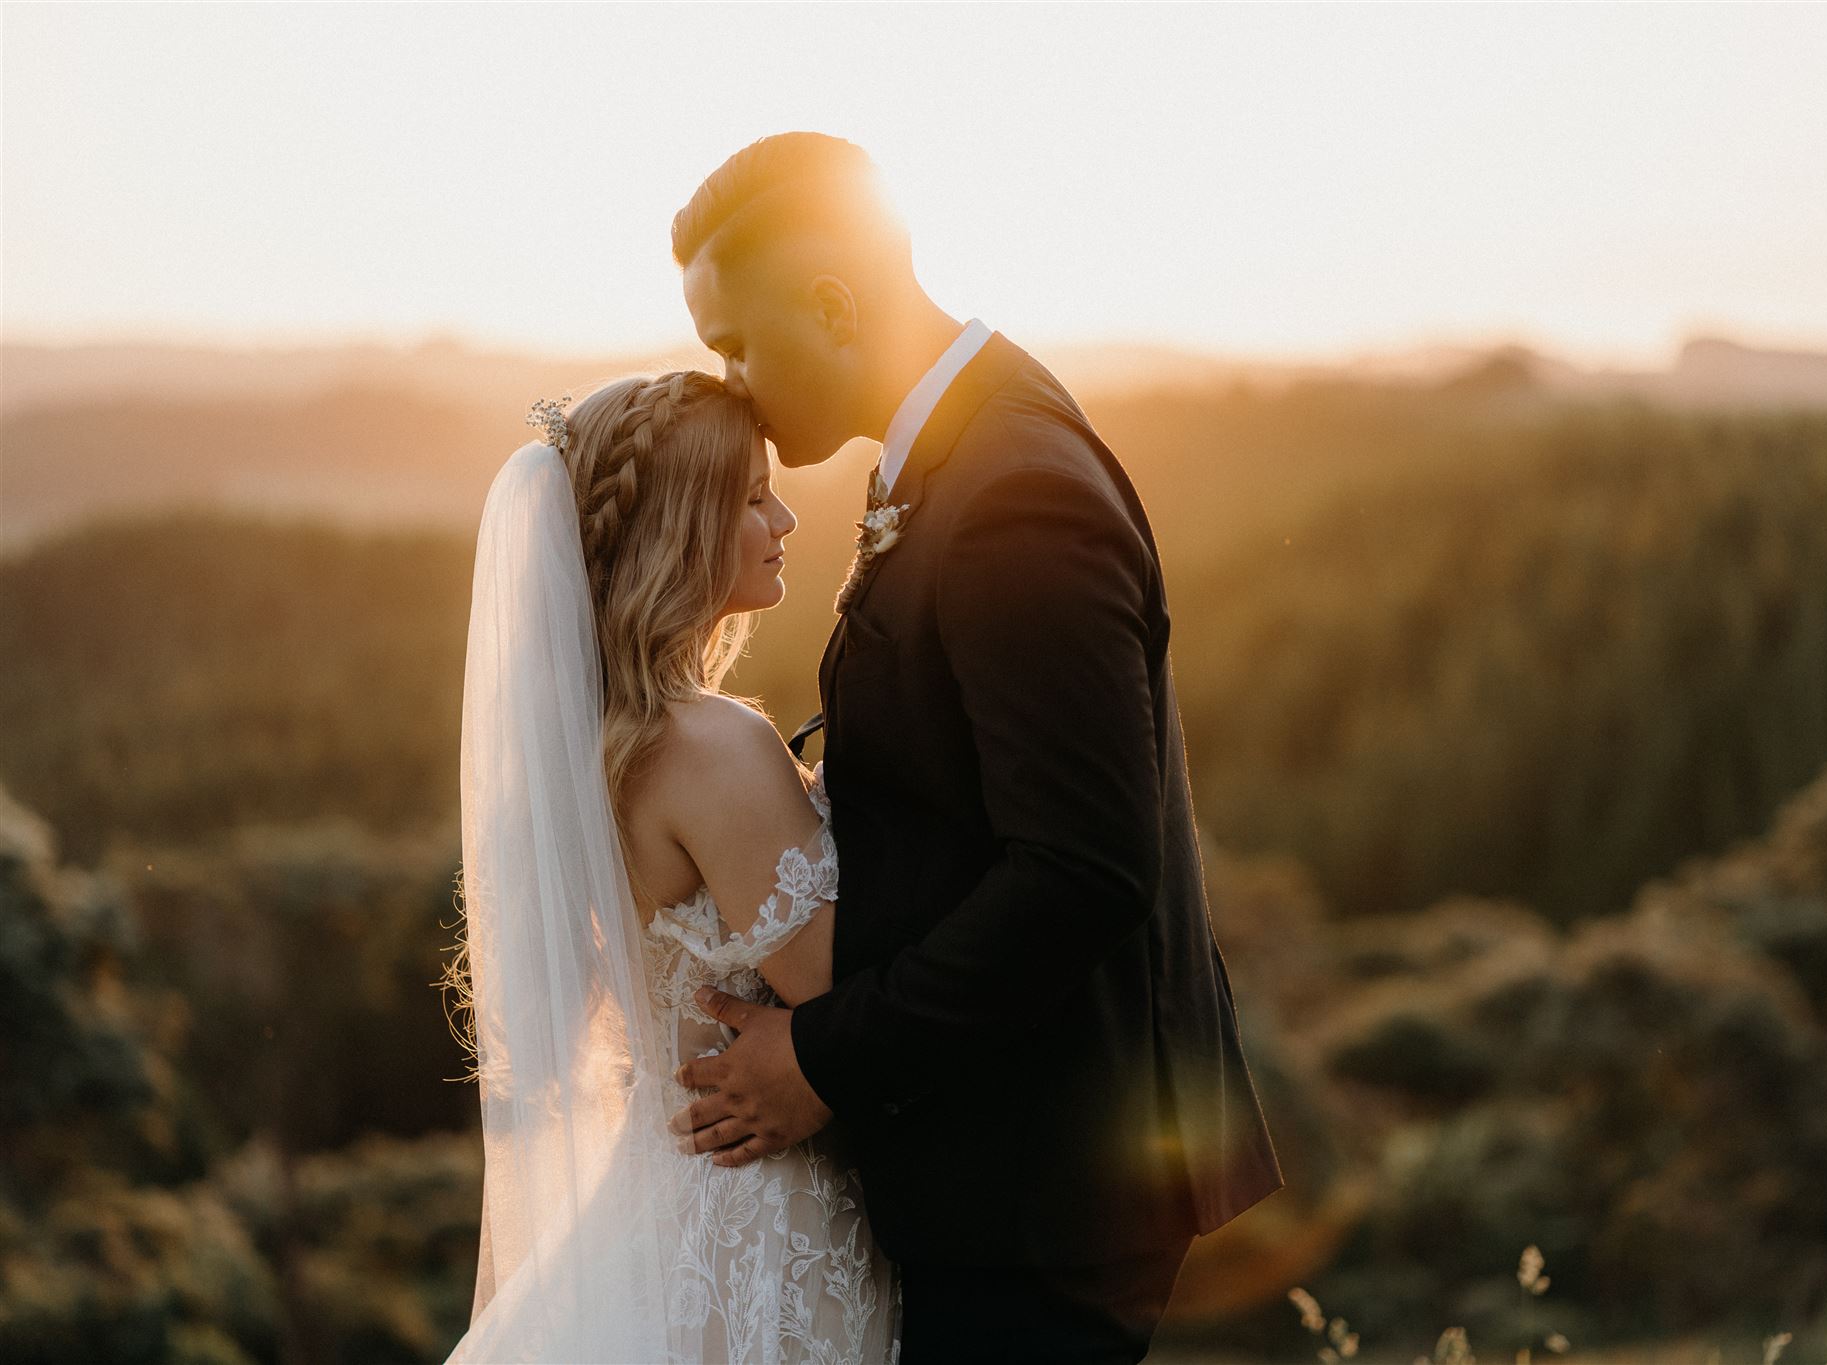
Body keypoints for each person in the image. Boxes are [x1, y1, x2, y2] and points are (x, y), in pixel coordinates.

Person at [667, 132, 1285, 1364]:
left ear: (833, 305)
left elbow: (1083, 870)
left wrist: (823, 1061)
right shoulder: (961, 444)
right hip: (1010, 1156)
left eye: (737, 344)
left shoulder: (1013, 492)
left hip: (1047, 1184)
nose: (730, 382)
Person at [447, 371, 902, 1362]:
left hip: (657, 1189)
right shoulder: (713, 747)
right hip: (756, 1219)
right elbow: (837, 991)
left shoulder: (603, 742)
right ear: (676, 532)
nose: (781, 517)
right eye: (747, 497)